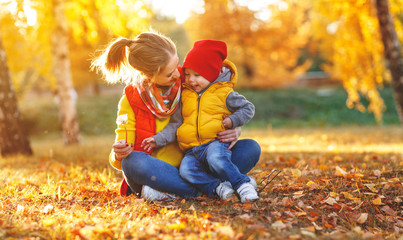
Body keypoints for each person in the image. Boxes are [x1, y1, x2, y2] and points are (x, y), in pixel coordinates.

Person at [91, 31, 261, 201]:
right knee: (132, 162)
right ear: (149, 75)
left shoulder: (190, 82)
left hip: (195, 161)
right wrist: (118, 154)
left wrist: (234, 128)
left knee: (249, 148)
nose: (178, 75)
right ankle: (205, 188)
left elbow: (215, 104)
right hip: (159, 172)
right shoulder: (130, 100)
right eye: (169, 73)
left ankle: (182, 191)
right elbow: (119, 157)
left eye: (177, 66)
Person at [142, 40, 259, 203]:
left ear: (212, 73)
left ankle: (242, 184)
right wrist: (158, 139)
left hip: (214, 143)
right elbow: (175, 124)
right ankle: (217, 187)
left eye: (197, 75)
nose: (191, 80)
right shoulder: (185, 95)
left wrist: (233, 121)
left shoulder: (224, 92)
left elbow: (248, 108)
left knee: (216, 159)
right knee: (187, 170)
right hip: (192, 150)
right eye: (188, 74)